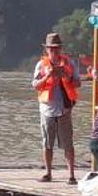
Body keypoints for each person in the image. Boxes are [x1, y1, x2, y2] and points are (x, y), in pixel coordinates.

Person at [32, 31, 81, 184]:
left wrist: (65, 75)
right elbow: (34, 85)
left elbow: (78, 83)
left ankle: (71, 175)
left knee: (68, 143)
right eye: (51, 49)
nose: (54, 51)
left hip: (64, 108)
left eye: (57, 48)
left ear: (61, 49)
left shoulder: (69, 64)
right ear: (47, 50)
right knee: (47, 142)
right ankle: (48, 173)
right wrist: (48, 76)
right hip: (47, 109)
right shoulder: (41, 65)